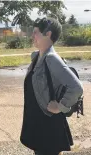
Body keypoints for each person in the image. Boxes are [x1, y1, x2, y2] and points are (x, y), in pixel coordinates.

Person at [20, 17, 83, 155]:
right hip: (39, 123)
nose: (32, 36)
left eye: (35, 32)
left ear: (48, 34)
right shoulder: (37, 57)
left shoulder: (51, 58)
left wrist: (60, 106)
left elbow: (76, 87)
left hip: (48, 125)